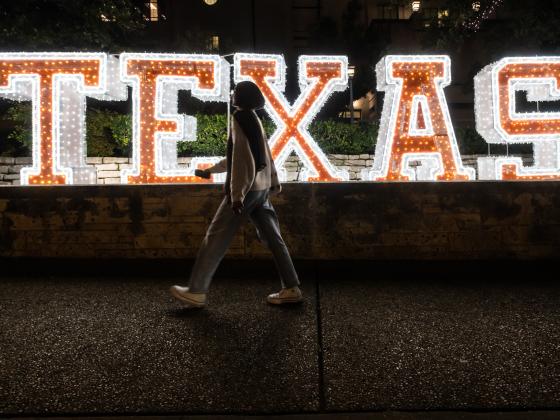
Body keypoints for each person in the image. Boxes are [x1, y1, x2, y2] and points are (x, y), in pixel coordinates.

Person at [169, 81, 302, 308]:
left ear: (241, 98)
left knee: (215, 237)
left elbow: (241, 160)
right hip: (260, 190)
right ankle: (291, 287)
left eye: (235, 92)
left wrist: (237, 196)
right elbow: (256, 156)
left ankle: (196, 291)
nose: (231, 95)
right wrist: (210, 171)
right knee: (273, 238)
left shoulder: (239, 118)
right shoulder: (254, 119)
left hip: (247, 191)